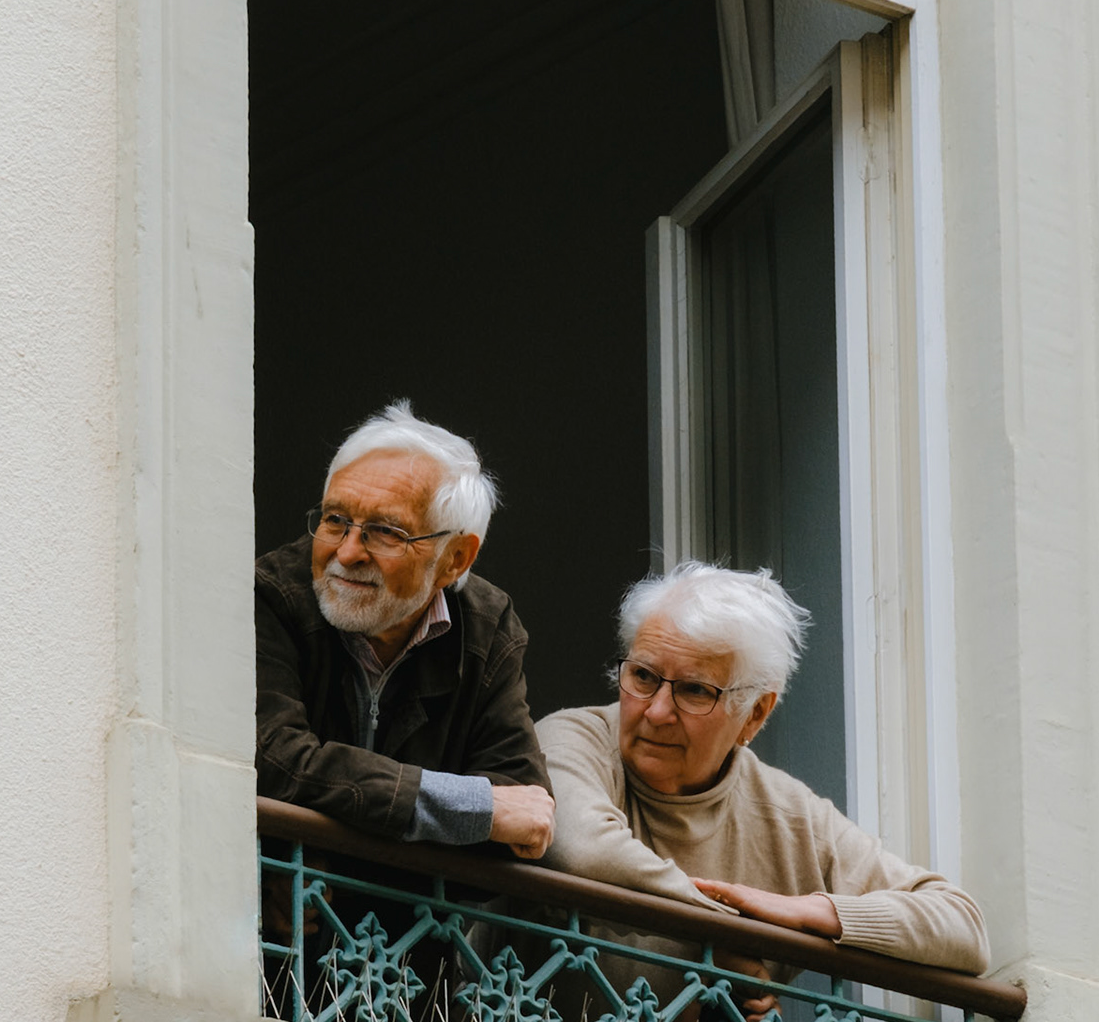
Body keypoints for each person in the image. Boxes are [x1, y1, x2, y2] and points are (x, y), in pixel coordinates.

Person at [536, 562, 987, 978]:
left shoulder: (788, 816)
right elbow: (583, 854)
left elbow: (963, 927)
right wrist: (732, 933)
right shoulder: (573, 740)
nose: (656, 711)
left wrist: (808, 911)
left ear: (754, 715)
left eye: (694, 690)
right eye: (643, 676)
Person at [256, 401, 553, 857]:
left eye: (385, 532)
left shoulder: (488, 628)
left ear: (455, 559)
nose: (347, 552)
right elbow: (273, 761)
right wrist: (471, 809)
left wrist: (387, 804)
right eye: (335, 520)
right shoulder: (273, 595)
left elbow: (521, 815)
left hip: (412, 906)